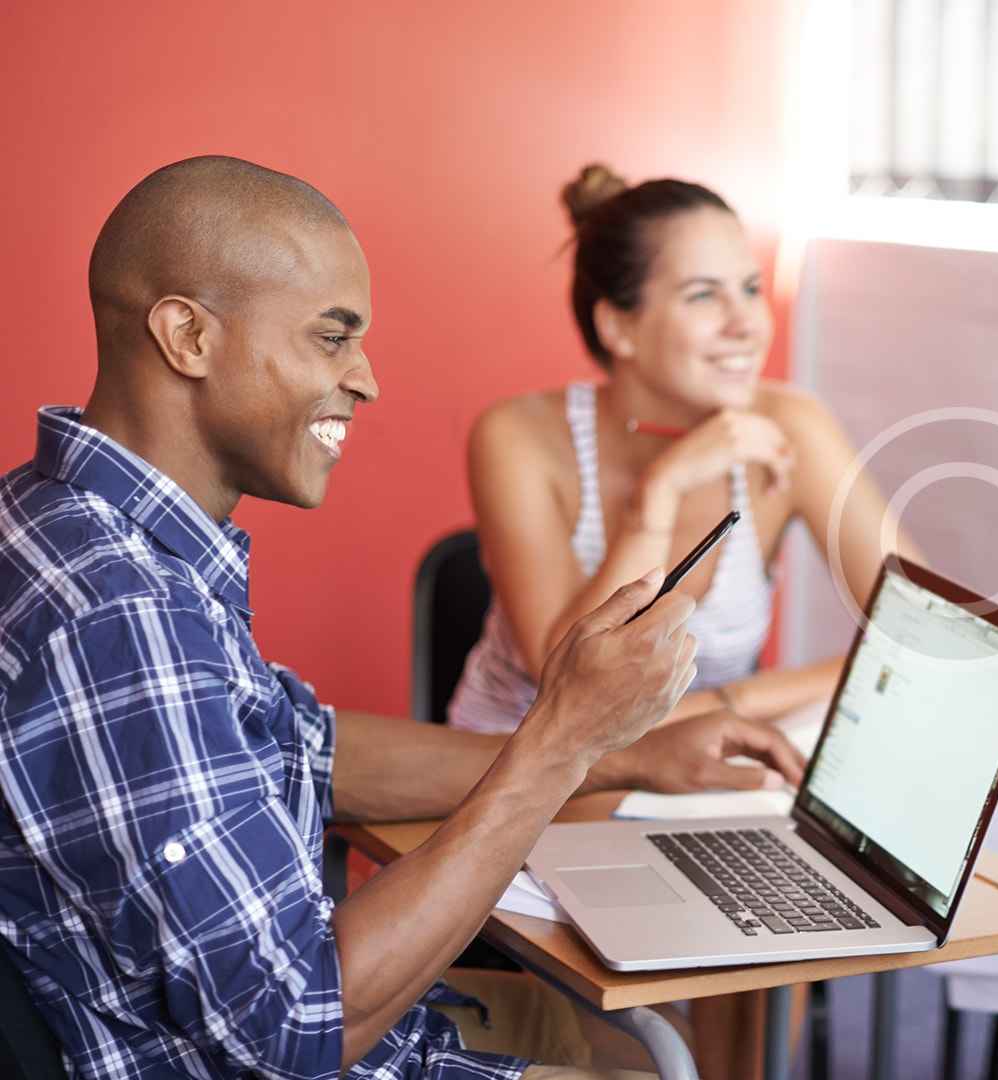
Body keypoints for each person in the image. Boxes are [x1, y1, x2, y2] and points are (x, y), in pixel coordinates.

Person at [0, 155, 805, 1080]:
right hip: (298, 1048)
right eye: (330, 338)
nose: (366, 380)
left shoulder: (64, 519)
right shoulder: (124, 615)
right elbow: (299, 1024)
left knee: (641, 1047)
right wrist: (562, 739)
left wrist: (621, 755)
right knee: (655, 1055)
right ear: (189, 336)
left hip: (337, 1027)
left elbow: (310, 749)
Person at [448, 164, 913, 738]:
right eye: (703, 296)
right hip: (512, 768)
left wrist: (729, 704)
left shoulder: (790, 426)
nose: (746, 324)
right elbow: (565, 685)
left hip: (692, 773)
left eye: (750, 289)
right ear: (618, 327)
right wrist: (658, 495)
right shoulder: (518, 436)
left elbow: (926, 634)